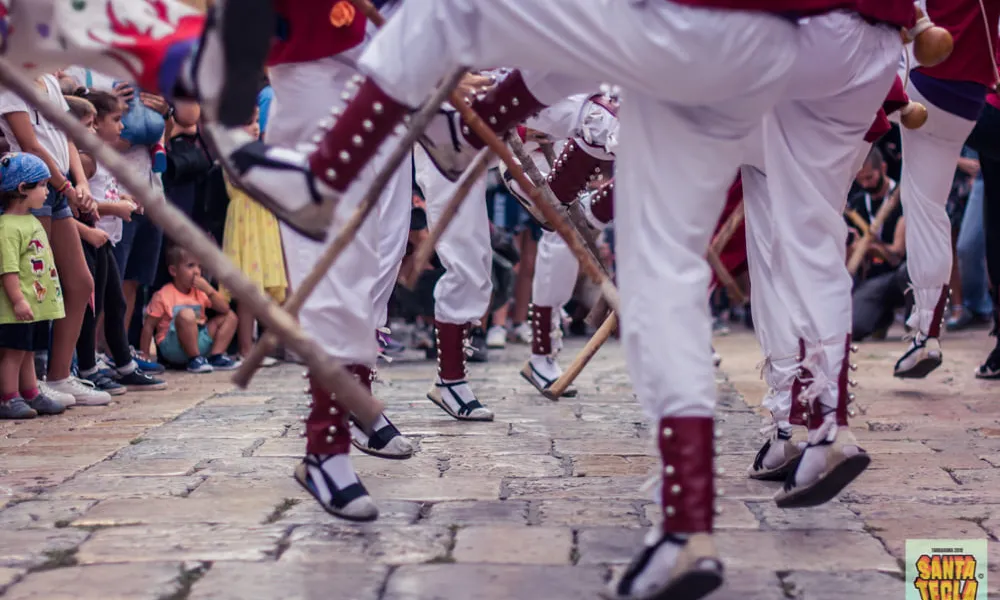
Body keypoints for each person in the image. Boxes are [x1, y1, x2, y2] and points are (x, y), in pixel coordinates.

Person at [893, 0, 1000, 379]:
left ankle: (927, 330)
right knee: (930, 207)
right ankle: (926, 331)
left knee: (923, 207)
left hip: (926, 82)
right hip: (972, 96)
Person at [0, 72, 108, 407]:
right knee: (32, 283)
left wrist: (82, 185)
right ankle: (25, 384)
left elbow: (68, 137)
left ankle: (60, 374)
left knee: (79, 282)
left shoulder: (47, 79)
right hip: (34, 187)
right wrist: (63, 186)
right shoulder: (10, 82)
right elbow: (29, 142)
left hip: (59, 188)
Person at [74, 89, 167, 393]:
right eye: (116, 119)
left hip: (107, 242)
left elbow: (105, 191)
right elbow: (80, 206)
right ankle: (88, 366)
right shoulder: (87, 161)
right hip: (92, 241)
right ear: (96, 123)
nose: (122, 126)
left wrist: (123, 198)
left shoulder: (104, 156)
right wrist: (116, 208)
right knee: (96, 306)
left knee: (115, 302)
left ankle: (124, 364)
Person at [0, 153, 66, 419]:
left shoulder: (30, 220)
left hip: (33, 303)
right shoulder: (7, 227)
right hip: (16, 306)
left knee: (26, 351)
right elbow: (8, 268)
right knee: (13, 352)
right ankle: (8, 397)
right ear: (22, 188)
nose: (46, 192)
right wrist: (17, 299)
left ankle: (30, 391)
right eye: (41, 185)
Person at [220, 106, 287, 363]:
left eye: (257, 121)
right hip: (246, 219)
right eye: (249, 122)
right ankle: (246, 348)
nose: (256, 127)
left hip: (264, 219)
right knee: (248, 288)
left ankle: (264, 346)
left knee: (265, 287)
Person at [140, 245, 240, 373]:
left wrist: (209, 290)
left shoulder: (200, 292)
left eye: (199, 266)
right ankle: (195, 359)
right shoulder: (163, 295)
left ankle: (216, 357)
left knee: (230, 316)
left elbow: (224, 309)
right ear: (173, 271)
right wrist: (145, 355)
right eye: (190, 266)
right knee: (186, 314)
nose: (197, 271)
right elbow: (148, 326)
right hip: (173, 346)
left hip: (199, 341)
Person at [849, 147, 908, 342]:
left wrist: (875, 247)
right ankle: (880, 318)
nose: (866, 184)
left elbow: (897, 252)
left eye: (870, 178)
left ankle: (916, 322)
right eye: (861, 179)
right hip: (873, 280)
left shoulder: (903, 198)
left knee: (909, 272)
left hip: (901, 274)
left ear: (882, 168)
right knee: (854, 327)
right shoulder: (856, 205)